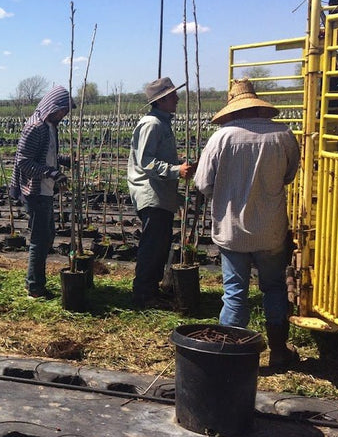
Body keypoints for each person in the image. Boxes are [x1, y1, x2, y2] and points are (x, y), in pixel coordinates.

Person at [194, 80, 301, 368]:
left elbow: (203, 183)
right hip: (271, 229)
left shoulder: (221, 138)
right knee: (275, 288)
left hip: (233, 231)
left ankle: (233, 358)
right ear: (258, 105)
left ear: (232, 108)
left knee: (235, 293)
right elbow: (290, 174)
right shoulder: (284, 135)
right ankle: (278, 351)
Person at [127, 77, 195, 309]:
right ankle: (144, 296)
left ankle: (150, 292)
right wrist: (177, 170)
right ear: (162, 100)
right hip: (151, 195)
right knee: (153, 247)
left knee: (159, 246)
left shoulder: (162, 123)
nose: (177, 98)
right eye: (173, 95)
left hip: (160, 195)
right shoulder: (152, 124)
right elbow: (146, 162)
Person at [9, 85, 74, 299]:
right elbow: (24, 162)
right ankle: (34, 287)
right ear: (53, 106)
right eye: (62, 110)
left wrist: (64, 161)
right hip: (35, 191)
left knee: (47, 237)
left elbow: (45, 155)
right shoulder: (35, 127)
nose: (64, 114)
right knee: (40, 238)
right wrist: (53, 173)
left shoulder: (50, 126)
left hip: (45, 190)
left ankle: (35, 282)